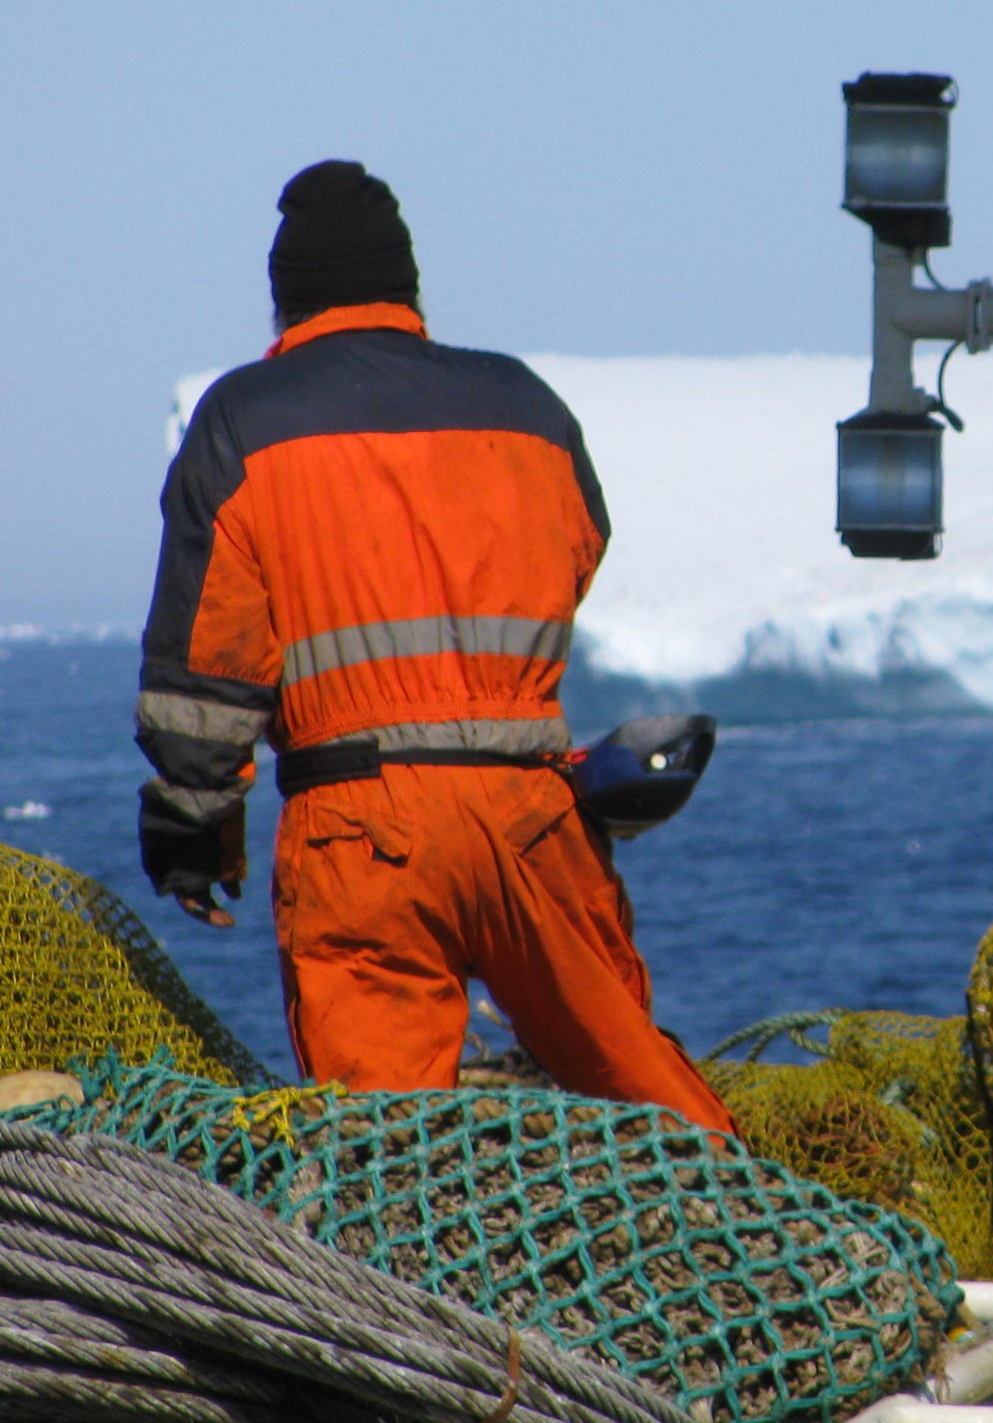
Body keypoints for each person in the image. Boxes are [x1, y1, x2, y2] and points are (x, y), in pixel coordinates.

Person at [134, 160, 734, 1132]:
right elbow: (582, 540)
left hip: (359, 830)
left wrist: (194, 831)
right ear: (406, 288)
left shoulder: (244, 421)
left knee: (384, 1160)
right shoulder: (528, 406)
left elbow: (207, 666)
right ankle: (759, 1251)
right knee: (647, 1108)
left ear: (287, 302)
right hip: (530, 812)